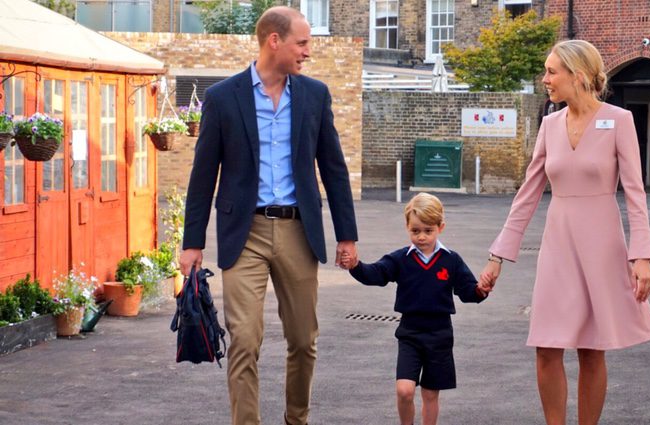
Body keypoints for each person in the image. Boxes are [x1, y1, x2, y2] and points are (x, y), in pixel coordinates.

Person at [178, 7, 358, 425]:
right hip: (246, 233)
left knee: (303, 339)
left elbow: (333, 168)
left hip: (299, 230)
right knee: (243, 339)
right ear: (274, 41)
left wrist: (346, 235)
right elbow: (203, 174)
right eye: (302, 42)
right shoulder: (224, 98)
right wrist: (192, 243)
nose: (308, 52)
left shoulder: (315, 95)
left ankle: (297, 419)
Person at [479, 40, 650, 425]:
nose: (544, 79)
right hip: (558, 246)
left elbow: (635, 194)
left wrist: (641, 255)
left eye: (551, 71)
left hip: (602, 245)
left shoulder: (619, 121)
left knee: (592, 349)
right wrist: (498, 257)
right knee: (546, 346)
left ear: (577, 76)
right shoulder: (549, 124)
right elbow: (527, 195)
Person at [341, 193, 491, 425]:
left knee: (430, 394)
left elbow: (467, 291)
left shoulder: (451, 260)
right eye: (415, 230)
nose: (421, 237)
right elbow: (376, 274)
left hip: (440, 335)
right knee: (404, 390)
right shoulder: (401, 259)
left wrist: (481, 290)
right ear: (407, 227)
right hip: (410, 334)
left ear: (441, 227)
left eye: (428, 231)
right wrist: (356, 266)